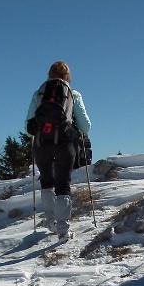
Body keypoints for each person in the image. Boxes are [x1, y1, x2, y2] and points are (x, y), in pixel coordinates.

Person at [25, 61, 92, 240]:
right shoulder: (73, 93)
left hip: (41, 142)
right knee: (63, 183)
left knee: (46, 181)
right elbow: (86, 126)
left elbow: (28, 125)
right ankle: (63, 230)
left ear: (49, 74)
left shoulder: (39, 92)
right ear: (67, 76)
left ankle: (50, 222)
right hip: (64, 143)